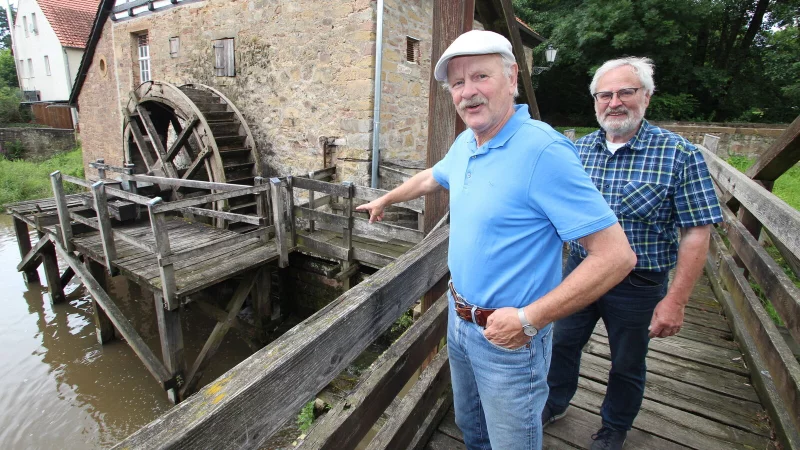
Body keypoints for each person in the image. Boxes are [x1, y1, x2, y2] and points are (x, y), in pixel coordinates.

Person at [356, 30, 636, 450]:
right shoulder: (467, 142)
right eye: (458, 83)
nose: (468, 92)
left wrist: (529, 320)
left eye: (480, 77)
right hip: (459, 318)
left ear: (512, 79)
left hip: (510, 338)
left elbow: (616, 257)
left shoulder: (543, 152)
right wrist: (387, 198)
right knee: (474, 431)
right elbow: (433, 176)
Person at [543, 57, 723, 450]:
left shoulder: (679, 154)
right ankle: (554, 402)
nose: (615, 102)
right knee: (561, 343)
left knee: (627, 361)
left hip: (638, 282)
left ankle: (614, 425)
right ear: (594, 101)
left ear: (647, 96)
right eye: (605, 94)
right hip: (580, 270)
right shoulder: (578, 150)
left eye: (626, 92)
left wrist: (675, 301)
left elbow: (696, 232)